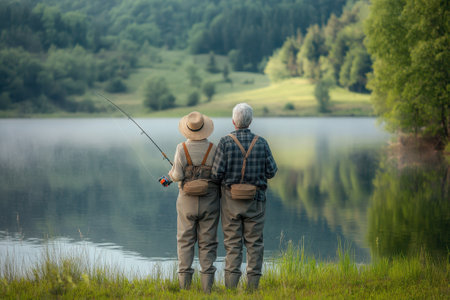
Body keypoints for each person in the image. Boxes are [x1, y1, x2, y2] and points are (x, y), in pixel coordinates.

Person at [212, 103, 278, 290]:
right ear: (250, 121)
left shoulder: (225, 142)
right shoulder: (262, 142)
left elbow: (216, 174)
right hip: (256, 202)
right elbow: (272, 171)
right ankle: (252, 288)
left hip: (230, 202)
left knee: (233, 244)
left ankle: (231, 288)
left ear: (233, 121)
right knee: (255, 244)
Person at [168, 111, 220, 293]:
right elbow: (218, 175)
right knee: (208, 242)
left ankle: (185, 288)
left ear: (188, 129)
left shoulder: (181, 148)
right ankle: (207, 289)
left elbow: (177, 176)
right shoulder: (214, 148)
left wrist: (170, 174)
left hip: (186, 202)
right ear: (204, 128)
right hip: (210, 201)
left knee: (185, 241)